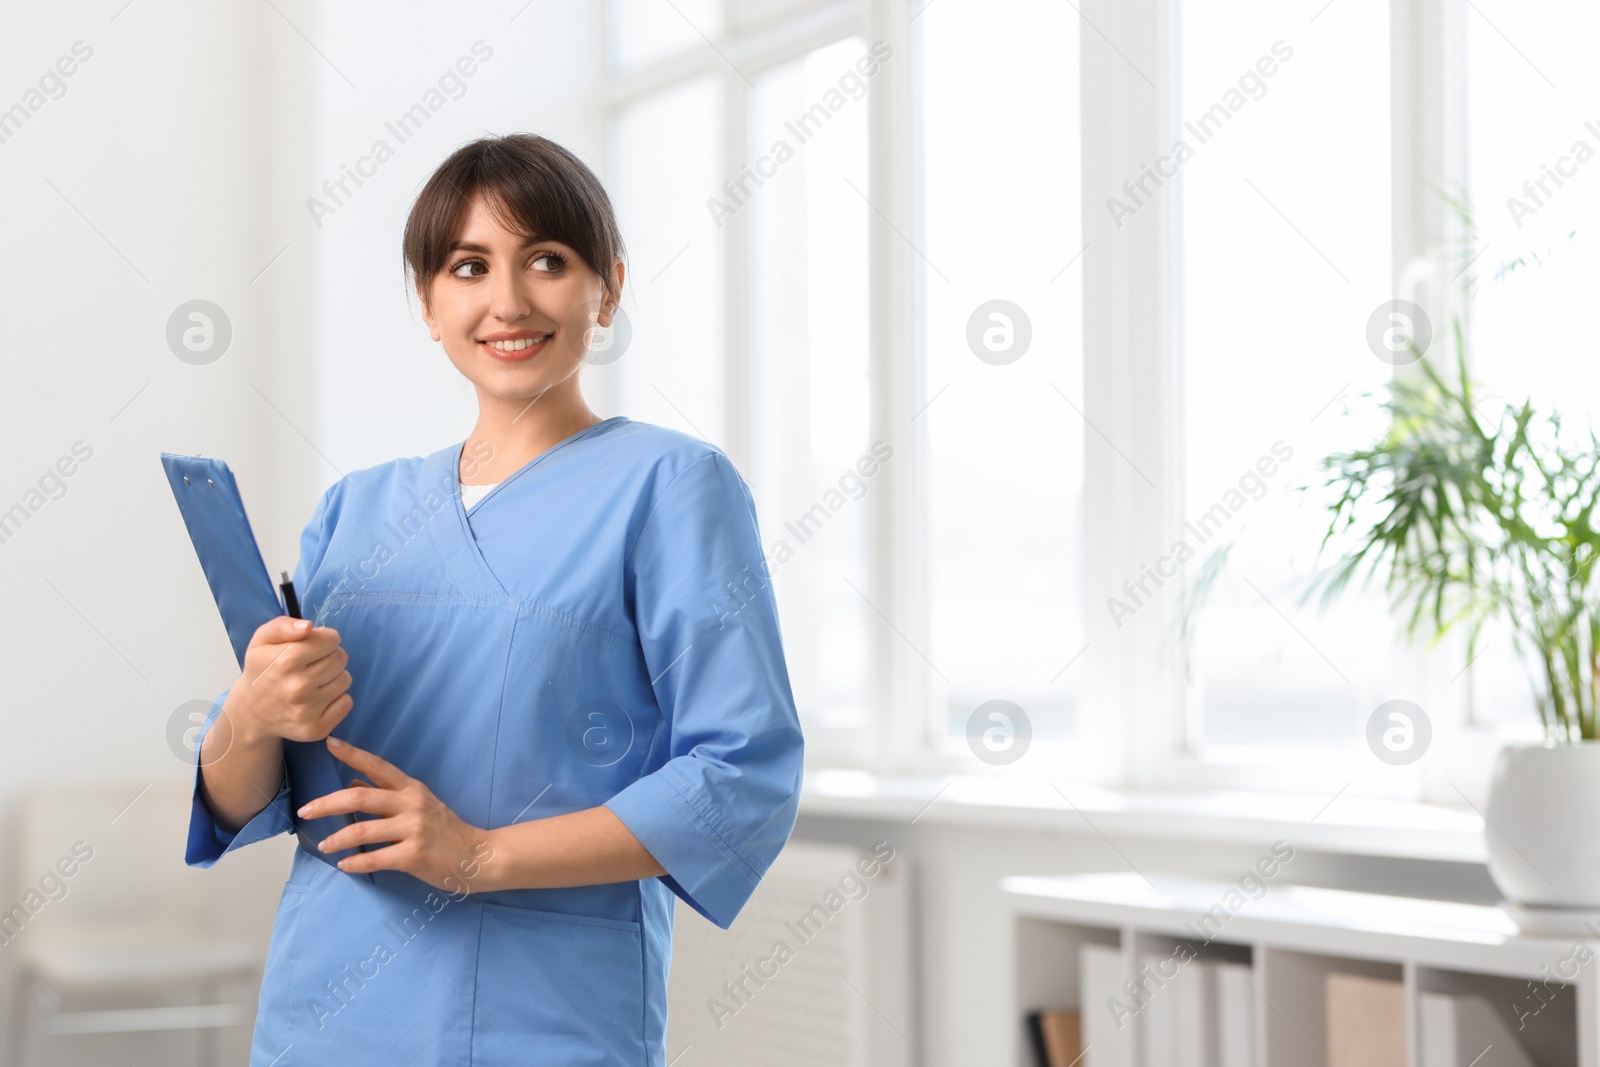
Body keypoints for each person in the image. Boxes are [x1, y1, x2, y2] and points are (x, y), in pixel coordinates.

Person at [185, 132, 805, 1066]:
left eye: (547, 260)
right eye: (468, 266)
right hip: (326, 1006)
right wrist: (250, 709)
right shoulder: (357, 508)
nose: (508, 301)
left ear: (610, 287)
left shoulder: (671, 487)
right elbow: (254, 799)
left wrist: (478, 855)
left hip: (538, 1015)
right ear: (429, 305)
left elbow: (739, 774)